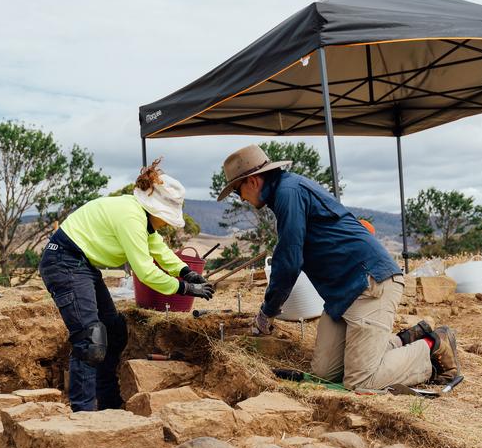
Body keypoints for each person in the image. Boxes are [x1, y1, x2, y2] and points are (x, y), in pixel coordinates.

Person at [217, 145, 460, 391]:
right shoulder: (285, 193)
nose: (242, 199)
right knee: (325, 373)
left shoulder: (288, 193)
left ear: (253, 181)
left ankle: (431, 347)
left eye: (238, 192)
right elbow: (289, 252)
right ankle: (403, 340)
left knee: (360, 381)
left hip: (369, 283)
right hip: (341, 294)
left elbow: (289, 262)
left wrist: (267, 312)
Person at [39, 159, 214, 411]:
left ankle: (108, 405)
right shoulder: (131, 217)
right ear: (156, 210)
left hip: (81, 265)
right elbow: (145, 271)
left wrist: (187, 273)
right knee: (90, 339)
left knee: (115, 330)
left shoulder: (140, 217)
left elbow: (159, 250)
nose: (166, 223)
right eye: (166, 218)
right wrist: (184, 289)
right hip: (64, 261)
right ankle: (83, 415)